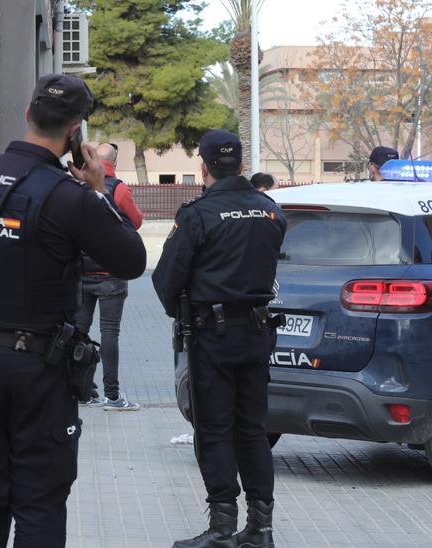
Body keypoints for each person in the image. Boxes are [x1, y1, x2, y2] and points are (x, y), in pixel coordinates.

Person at [0, 73, 146, 548]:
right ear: (76, 130)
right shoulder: (69, 196)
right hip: (37, 369)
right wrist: (100, 191)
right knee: (39, 503)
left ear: (27, 113)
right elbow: (131, 259)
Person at [153, 130, 287, 548]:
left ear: (204, 166)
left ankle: (223, 529)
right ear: (241, 165)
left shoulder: (198, 215)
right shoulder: (269, 211)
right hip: (257, 333)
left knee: (214, 429)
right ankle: (261, 528)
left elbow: (165, 281)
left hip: (213, 335)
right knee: (252, 429)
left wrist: (185, 311)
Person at [76, 142, 145, 410]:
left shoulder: (78, 187)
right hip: (111, 274)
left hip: (82, 273)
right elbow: (136, 221)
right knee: (109, 333)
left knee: (79, 332)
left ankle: (81, 390)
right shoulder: (118, 188)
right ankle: (113, 395)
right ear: (113, 163)